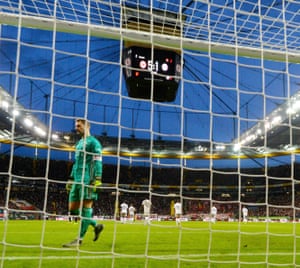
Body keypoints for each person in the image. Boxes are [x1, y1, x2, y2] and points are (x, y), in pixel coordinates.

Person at [63, 118, 104, 247]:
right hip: (76, 179)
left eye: (79, 125)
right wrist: (71, 178)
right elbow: (76, 162)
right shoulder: (79, 143)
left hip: (88, 178)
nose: (76, 128)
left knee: (86, 209)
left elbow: (98, 160)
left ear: (87, 126)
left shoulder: (94, 143)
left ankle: (79, 239)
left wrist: (97, 178)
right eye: (76, 125)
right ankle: (96, 225)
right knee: (72, 209)